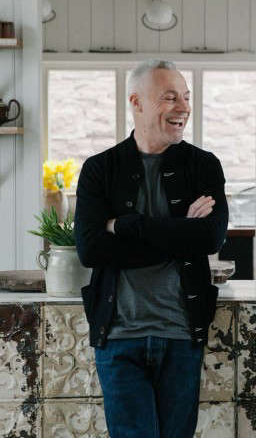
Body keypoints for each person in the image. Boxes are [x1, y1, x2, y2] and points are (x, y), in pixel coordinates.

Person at [74, 59, 228, 438]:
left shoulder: (203, 166)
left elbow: (209, 239)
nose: (183, 107)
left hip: (181, 334)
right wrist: (180, 234)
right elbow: (91, 250)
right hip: (118, 338)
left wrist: (125, 226)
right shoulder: (100, 169)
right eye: (170, 97)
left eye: (187, 98)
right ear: (137, 102)